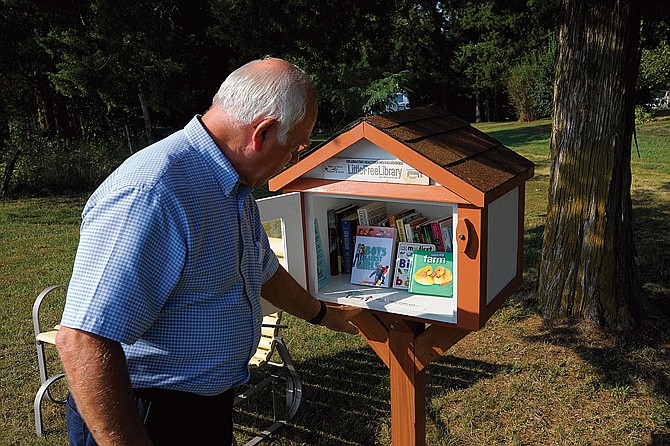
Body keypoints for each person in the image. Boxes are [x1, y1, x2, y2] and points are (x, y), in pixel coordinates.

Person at [56, 57, 362, 446]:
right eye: (296, 147)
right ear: (263, 133)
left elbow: (262, 269)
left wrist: (323, 316)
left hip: (203, 406)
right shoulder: (155, 192)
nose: (294, 159)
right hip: (144, 413)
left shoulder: (231, 184)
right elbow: (83, 340)